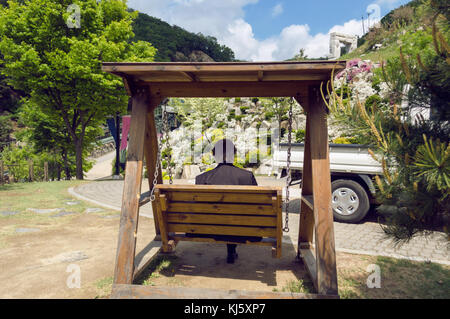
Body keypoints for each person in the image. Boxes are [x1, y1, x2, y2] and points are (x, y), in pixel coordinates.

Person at [195, 138, 260, 264]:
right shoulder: (247, 177)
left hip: (207, 229)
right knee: (238, 216)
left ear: (214, 154)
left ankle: (231, 249)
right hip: (244, 230)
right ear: (234, 154)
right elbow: (257, 206)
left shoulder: (201, 178)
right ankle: (231, 249)